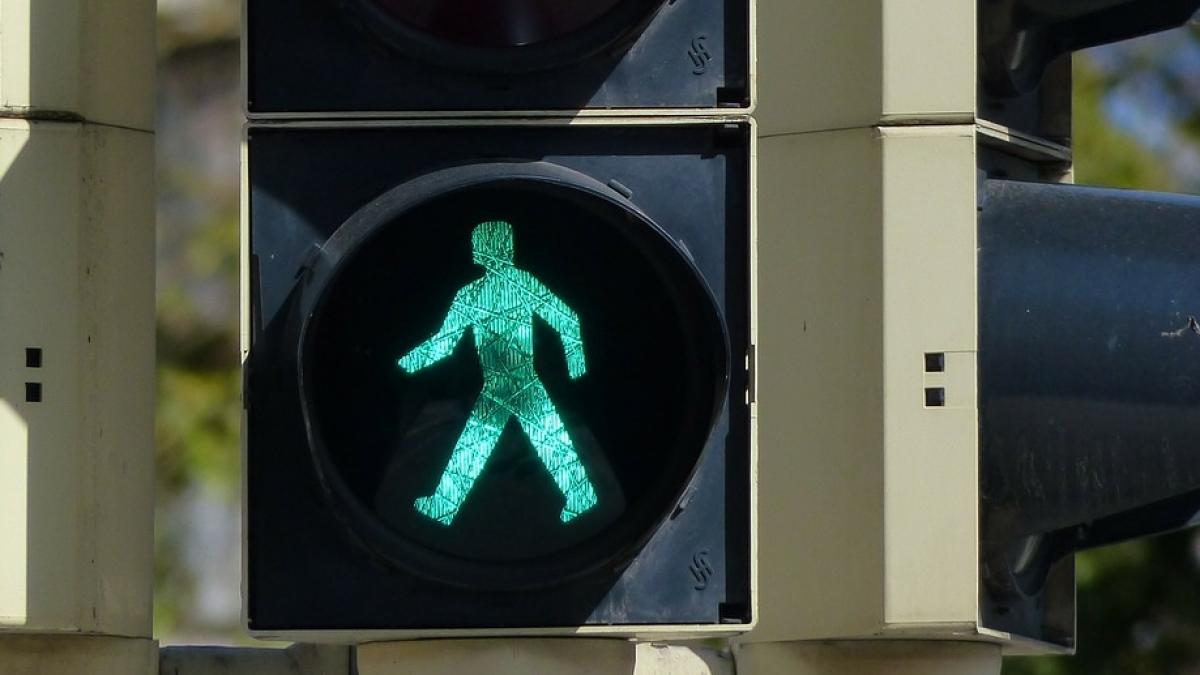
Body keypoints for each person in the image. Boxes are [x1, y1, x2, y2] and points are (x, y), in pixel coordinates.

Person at [398, 219, 599, 526]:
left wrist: (577, 362)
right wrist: (408, 364)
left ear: (489, 248)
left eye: (481, 243)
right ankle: (580, 496)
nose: (476, 248)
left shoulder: (495, 289)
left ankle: (443, 506)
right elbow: (445, 343)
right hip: (502, 382)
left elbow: (566, 318)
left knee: (504, 443)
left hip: (519, 381)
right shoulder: (479, 292)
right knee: (527, 441)